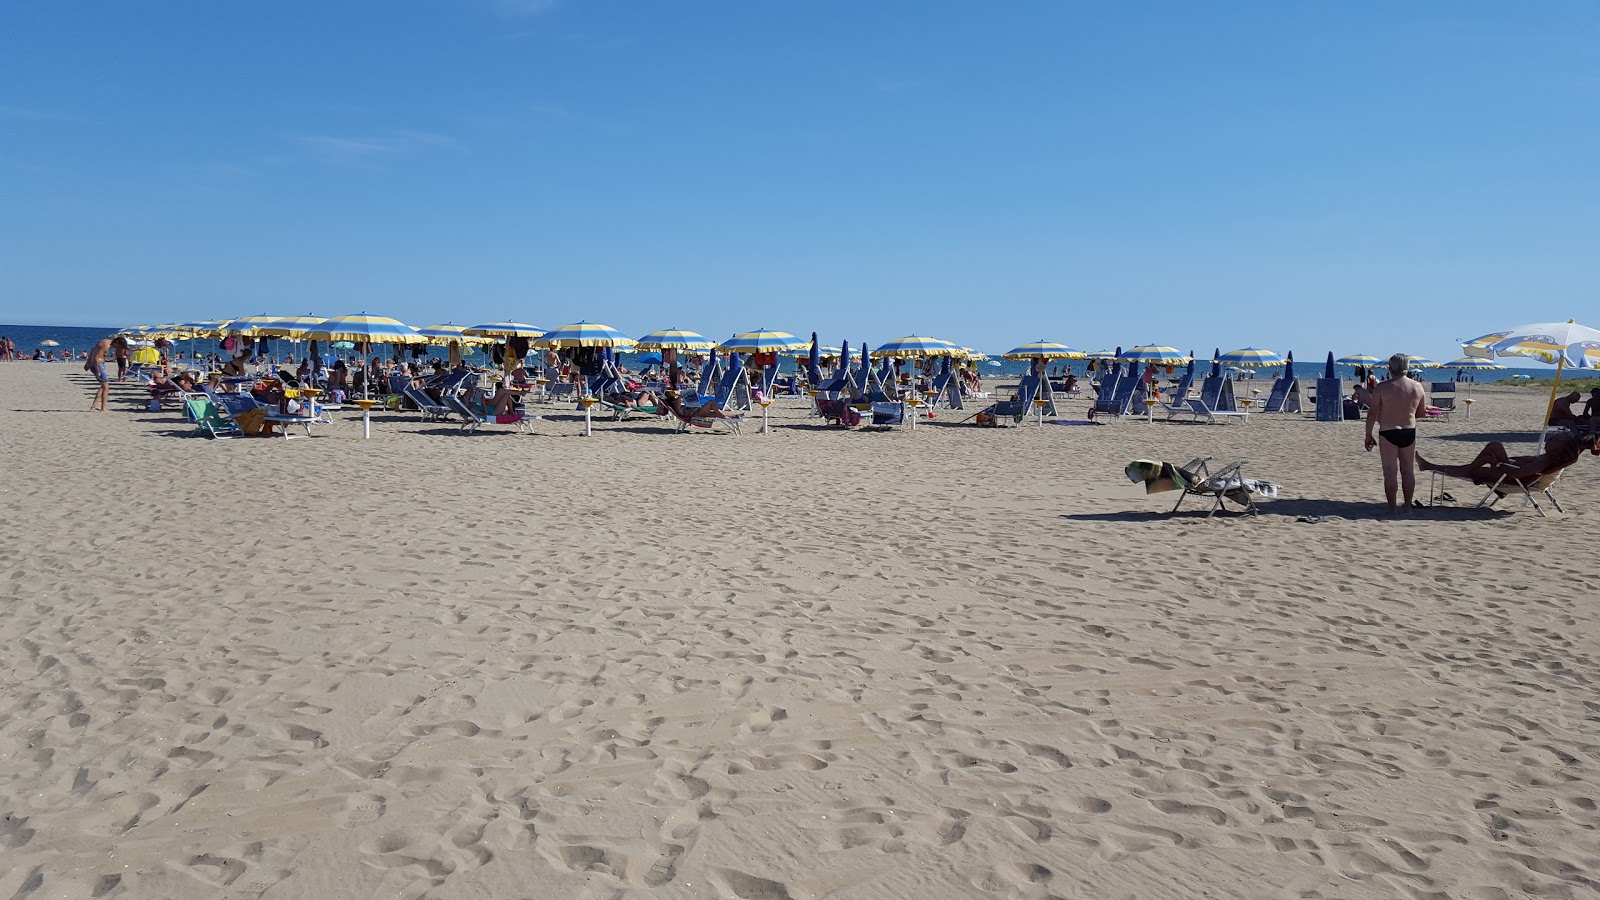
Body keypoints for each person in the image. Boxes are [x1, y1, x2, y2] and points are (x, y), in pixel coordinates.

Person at [1361, 353, 1429, 514]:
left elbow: (1372, 413)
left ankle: (1392, 507)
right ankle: (1407, 506)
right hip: (1408, 431)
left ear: (1390, 368)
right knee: (1407, 470)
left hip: (1388, 431)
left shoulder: (1382, 388)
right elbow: (1421, 412)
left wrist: (1368, 435)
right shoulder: (1417, 387)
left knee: (1390, 471)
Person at [1419, 431, 1596, 486]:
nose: (1551, 440)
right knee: (1490, 452)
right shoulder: (1551, 457)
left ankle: (1430, 466)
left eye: (1554, 439)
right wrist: (1509, 460)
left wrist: (1501, 464)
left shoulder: (1547, 460)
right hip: (1509, 472)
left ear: (1560, 448)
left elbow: (1520, 474)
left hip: (1510, 479)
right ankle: (1430, 465)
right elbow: (1524, 463)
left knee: (1490, 451)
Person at [85, 338, 112, 412]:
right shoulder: (106, 345)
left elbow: (93, 352)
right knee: (106, 386)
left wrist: (87, 363)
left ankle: (95, 404)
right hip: (98, 365)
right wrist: (97, 371)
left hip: (96, 364)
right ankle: (103, 408)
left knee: (103, 386)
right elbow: (96, 358)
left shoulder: (101, 344)